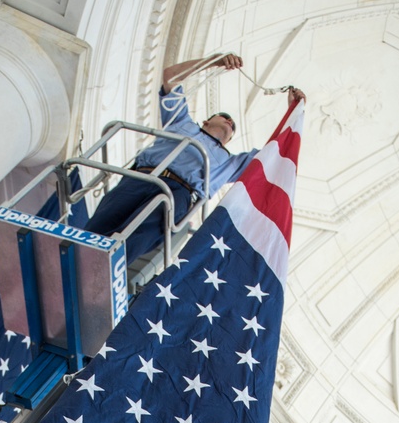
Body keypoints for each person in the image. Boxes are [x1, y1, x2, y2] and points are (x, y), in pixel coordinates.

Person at [84, 52, 305, 264]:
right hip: (141, 177)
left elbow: (273, 155)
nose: (230, 122)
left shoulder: (229, 162)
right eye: (225, 117)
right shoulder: (182, 122)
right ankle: (78, 250)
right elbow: (170, 77)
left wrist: (293, 112)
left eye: (233, 126)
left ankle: (108, 265)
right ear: (206, 121)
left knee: (143, 233)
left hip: (179, 193)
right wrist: (213, 61)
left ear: (228, 141)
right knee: (105, 219)